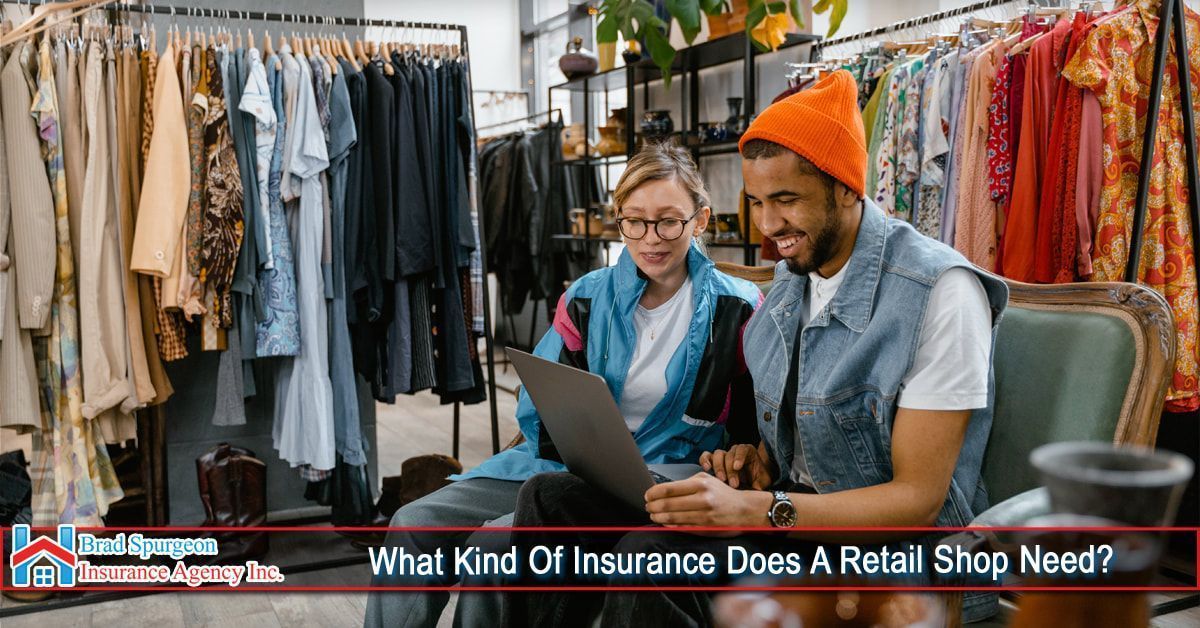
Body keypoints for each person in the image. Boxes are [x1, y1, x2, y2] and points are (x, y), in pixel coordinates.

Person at [504, 69, 1010, 627]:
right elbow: (794, 445)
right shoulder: (793, 282)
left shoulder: (938, 292)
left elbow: (917, 500)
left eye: (787, 199)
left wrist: (758, 508)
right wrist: (752, 463)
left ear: (846, 186)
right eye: (756, 202)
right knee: (550, 499)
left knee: (649, 558)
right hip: (789, 525)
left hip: (887, 558)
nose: (769, 226)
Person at [363, 141, 763, 628]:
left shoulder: (738, 309)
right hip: (558, 465)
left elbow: (751, 427)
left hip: (663, 482)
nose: (649, 238)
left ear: (699, 220)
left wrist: (736, 457)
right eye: (633, 220)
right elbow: (544, 399)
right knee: (411, 527)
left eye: (668, 221)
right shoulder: (586, 298)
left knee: (490, 551)